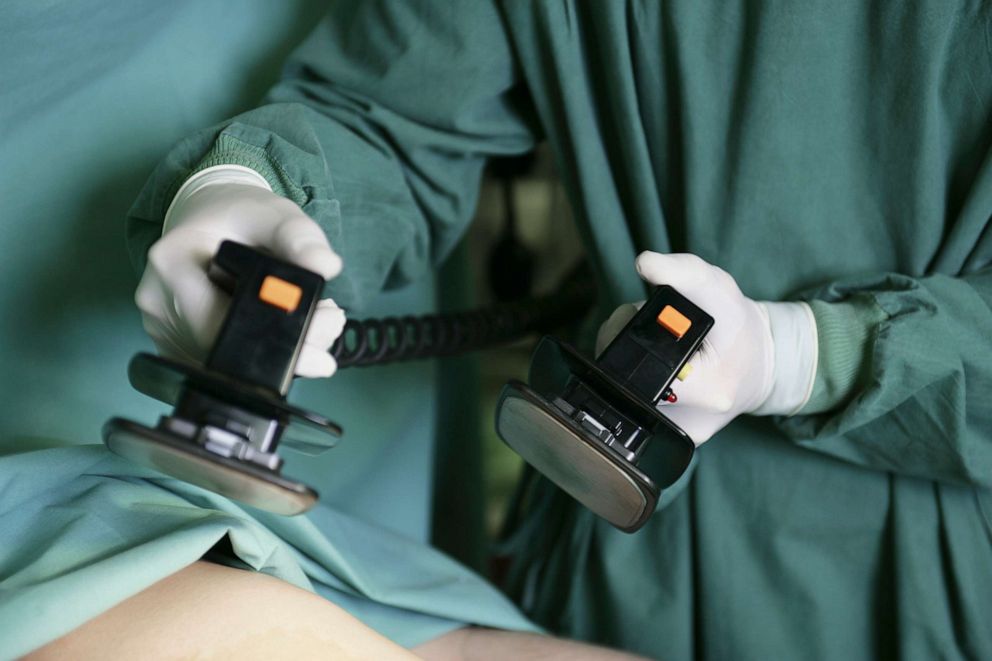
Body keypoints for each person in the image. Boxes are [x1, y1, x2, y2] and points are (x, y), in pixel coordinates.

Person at [120, 1, 992, 659]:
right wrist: (245, 186)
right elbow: (397, 107)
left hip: (932, 569)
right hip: (621, 548)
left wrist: (808, 354)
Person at [0, 2, 646, 658]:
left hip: (344, 534)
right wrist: (241, 177)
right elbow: (405, 108)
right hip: (76, 483)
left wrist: (762, 360)